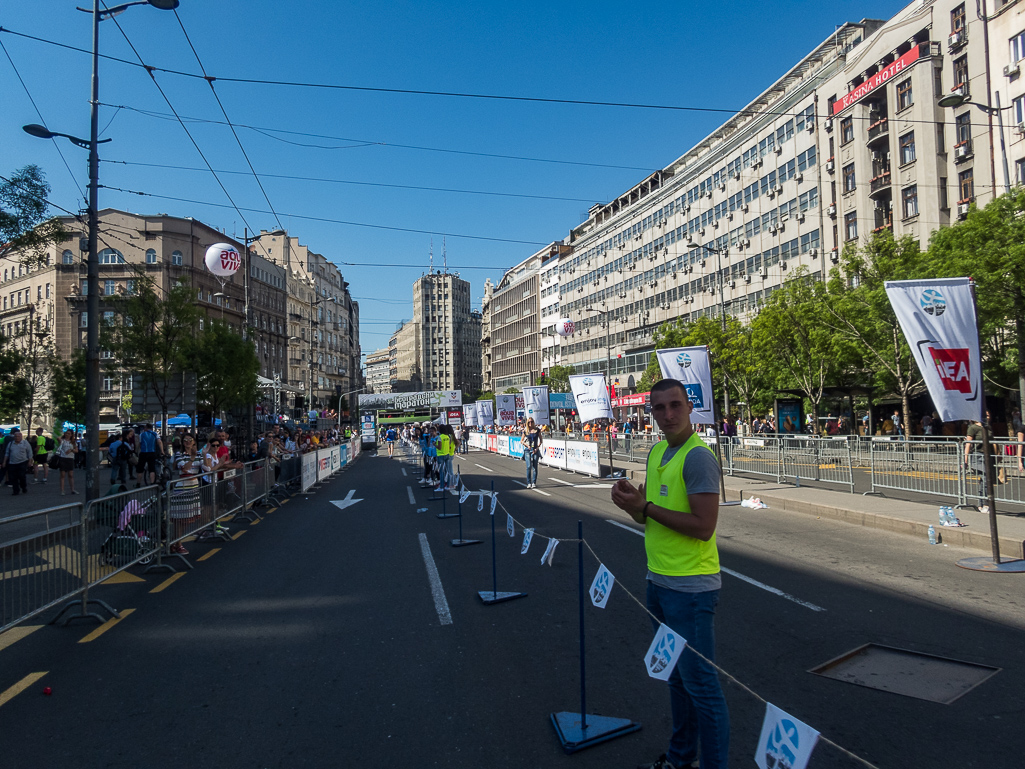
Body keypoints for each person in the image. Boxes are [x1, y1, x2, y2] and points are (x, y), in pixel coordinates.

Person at [610, 378, 729, 769]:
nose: (668, 415)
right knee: (678, 682)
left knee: (703, 690)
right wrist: (632, 506)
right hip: (658, 582)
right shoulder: (658, 451)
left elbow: (702, 526)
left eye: (675, 405)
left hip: (691, 590)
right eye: (659, 408)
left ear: (690, 406)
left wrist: (645, 509)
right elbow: (652, 523)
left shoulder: (697, 457)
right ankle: (680, 759)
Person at [965, 412, 995, 514]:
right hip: (978, 456)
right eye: (985, 415)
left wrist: (998, 455)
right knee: (986, 479)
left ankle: (980, 504)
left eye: (988, 414)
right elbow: (968, 444)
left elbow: (993, 442)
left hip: (989, 456)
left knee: (984, 481)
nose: (988, 416)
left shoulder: (988, 427)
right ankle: (986, 504)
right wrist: (965, 459)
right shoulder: (973, 428)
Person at [2, 430, 33, 496]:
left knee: (22, 476)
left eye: (18, 436)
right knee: (13, 478)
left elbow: (30, 453)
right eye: (15, 436)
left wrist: (30, 461)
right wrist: (4, 462)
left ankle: (23, 487)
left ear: (21, 437)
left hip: (22, 462)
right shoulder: (10, 444)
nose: (17, 437)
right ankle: (16, 490)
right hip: (12, 463)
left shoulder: (25, 443)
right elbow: (7, 453)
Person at [136, 423, 164, 488]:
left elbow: (139, 444)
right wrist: (162, 451)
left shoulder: (141, 434)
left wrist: (138, 450)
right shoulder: (155, 434)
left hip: (143, 453)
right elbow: (159, 442)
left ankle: (138, 483)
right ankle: (152, 483)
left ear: (146, 428)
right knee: (152, 469)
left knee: (140, 469)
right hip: (152, 452)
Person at [522, 417, 543, 489]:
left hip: (535, 450)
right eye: (529, 422)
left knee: (535, 467)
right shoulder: (526, 431)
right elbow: (521, 441)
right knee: (528, 467)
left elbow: (541, 440)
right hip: (528, 450)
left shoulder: (537, 430)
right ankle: (528, 482)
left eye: (531, 422)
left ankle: (534, 482)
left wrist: (537, 448)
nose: (530, 423)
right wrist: (527, 445)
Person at [57, 429, 79, 495]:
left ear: (71, 435)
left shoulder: (73, 442)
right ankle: (62, 490)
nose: (67, 435)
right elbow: (58, 438)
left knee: (70, 475)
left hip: (70, 458)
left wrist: (71, 450)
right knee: (62, 475)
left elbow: (76, 450)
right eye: (66, 433)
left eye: (69, 434)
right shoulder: (62, 441)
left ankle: (72, 489)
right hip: (63, 458)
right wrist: (63, 436)